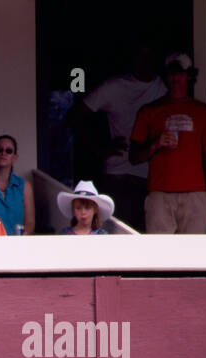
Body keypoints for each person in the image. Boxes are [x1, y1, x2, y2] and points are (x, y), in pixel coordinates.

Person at [69, 44, 165, 234]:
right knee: (116, 235)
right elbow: (75, 116)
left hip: (153, 180)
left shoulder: (165, 87)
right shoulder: (114, 86)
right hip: (118, 176)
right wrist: (99, 148)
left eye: (149, 56)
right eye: (140, 56)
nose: (145, 62)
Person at [129, 54, 206, 234]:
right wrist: (155, 144)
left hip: (196, 194)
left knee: (193, 256)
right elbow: (133, 157)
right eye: (170, 74)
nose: (174, 78)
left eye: (180, 74)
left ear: (190, 76)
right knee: (160, 255)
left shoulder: (203, 111)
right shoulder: (149, 111)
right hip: (160, 194)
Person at [0, 134, 34, 235]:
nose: (3, 153)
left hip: (18, 245)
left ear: (15, 157)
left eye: (8, 151)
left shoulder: (25, 186)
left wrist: (20, 239)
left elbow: (30, 222)